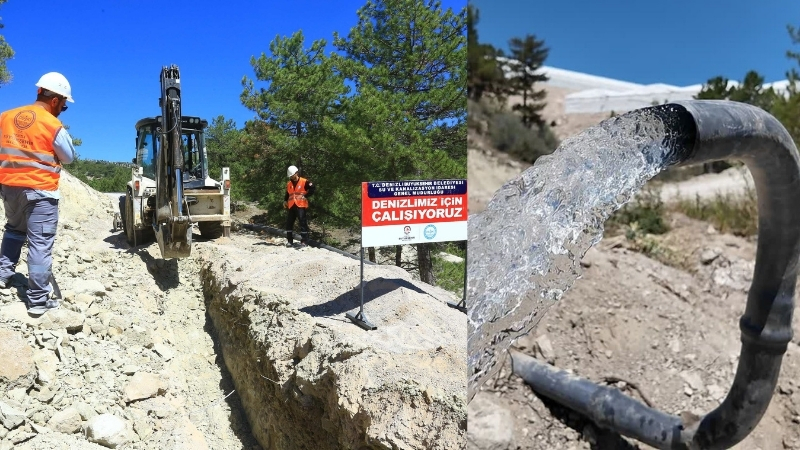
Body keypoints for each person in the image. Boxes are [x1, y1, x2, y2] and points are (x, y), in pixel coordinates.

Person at [0, 72, 76, 316]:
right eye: (63, 105)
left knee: (13, 231)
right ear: (56, 100)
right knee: (40, 244)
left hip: (9, 187)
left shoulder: (6, 117)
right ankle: (38, 301)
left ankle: (3, 275)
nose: (62, 109)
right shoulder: (52, 124)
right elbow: (69, 157)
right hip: (40, 191)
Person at [283, 165, 315, 247]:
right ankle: (290, 240)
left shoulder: (304, 181)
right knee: (289, 223)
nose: (291, 177)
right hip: (291, 206)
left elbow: (312, 188)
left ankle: (304, 241)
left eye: (292, 175)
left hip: (300, 205)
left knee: (302, 223)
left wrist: (306, 195)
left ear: (296, 173)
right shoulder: (289, 183)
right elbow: (288, 194)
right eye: (290, 176)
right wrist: (285, 201)